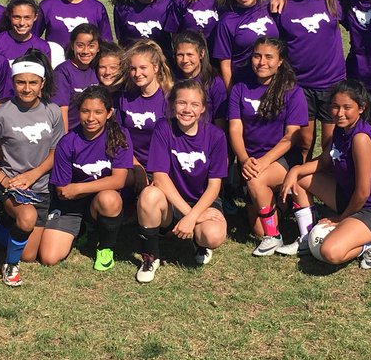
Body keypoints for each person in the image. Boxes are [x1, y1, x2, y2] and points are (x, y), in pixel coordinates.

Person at [281, 80, 371, 269]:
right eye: (335, 107)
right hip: (348, 196)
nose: (339, 113)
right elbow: (324, 161)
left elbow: (363, 192)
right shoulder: (341, 130)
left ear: (361, 108)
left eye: (347, 107)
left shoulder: (361, 138)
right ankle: (306, 237)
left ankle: (370, 244)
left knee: (330, 252)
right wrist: (295, 170)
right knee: (300, 179)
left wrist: (341, 218)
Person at [0, 52, 64, 286]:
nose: (26, 88)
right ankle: (10, 265)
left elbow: (56, 151)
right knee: (27, 218)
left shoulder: (53, 111)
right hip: (13, 185)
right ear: (13, 83)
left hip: (40, 186)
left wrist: (34, 174)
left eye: (33, 82)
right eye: (20, 82)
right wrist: (3, 180)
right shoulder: (1, 115)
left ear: (42, 83)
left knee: (30, 255)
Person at [136, 80, 229, 283]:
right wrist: (191, 216)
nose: (187, 109)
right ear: (172, 105)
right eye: (181, 103)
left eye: (194, 104)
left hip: (203, 201)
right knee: (148, 195)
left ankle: (199, 242)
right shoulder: (163, 127)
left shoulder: (216, 136)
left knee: (213, 235)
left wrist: (193, 216)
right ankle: (150, 255)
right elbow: (160, 177)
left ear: (203, 108)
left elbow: (215, 186)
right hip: (171, 200)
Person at [228, 37, 308, 255]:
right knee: (256, 229)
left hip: (281, 158)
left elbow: (292, 136)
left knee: (256, 180)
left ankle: (273, 236)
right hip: (250, 160)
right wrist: (244, 159)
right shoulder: (240, 88)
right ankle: (280, 206)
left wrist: (264, 162)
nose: (262, 62)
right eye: (257, 55)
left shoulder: (292, 90)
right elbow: (235, 129)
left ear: (280, 61)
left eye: (269, 57)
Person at [39, 86, 132, 271]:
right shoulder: (67, 142)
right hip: (71, 206)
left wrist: (79, 188)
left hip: (98, 200)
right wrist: (74, 190)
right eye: (85, 111)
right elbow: (63, 191)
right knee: (48, 257)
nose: (91, 118)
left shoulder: (119, 136)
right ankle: (82, 229)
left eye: (98, 112)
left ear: (109, 113)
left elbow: (118, 181)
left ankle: (105, 247)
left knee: (109, 198)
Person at [275, 0, 346, 153]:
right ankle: (301, 183)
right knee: (304, 142)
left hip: (332, 83)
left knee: (330, 145)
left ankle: (327, 183)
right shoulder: (283, 3)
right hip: (300, 85)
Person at [116, 39, 173, 183]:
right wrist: (136, 166)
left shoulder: (169, 98)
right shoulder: (126, 98)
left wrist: (159, 174)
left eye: (143, 68)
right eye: (133, 69)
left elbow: (174, 141)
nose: (137, 73)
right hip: (132, 164)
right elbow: (120, 137)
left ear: (155, 68)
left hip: (163, 167)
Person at [214, 0, 278, 87]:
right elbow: (225, 64)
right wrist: (231, 92)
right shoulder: (227, 21)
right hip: (244, 86)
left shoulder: (271, 8)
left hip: (273, 85)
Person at [53, 23, 102, 131]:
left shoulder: (98, 67)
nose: (85, 51)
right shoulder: (62, 72)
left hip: (95, 132)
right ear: (72, 45)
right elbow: (62, 110)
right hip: (72, 133)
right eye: (80, 45)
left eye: (91, 46)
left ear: (98, 48)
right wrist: (64, 140)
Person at [172, 31, 227, 126]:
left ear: (201, 54)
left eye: (190, 55)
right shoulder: (172, 80)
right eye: (180, 55)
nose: (185, 60)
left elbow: (220, 121)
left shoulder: (214, 82)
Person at [0, 0, 64, 67]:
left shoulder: (42, 46)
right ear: (9, 15)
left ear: (35, 17)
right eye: (17, 17)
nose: (22, 23)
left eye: (27, 17)